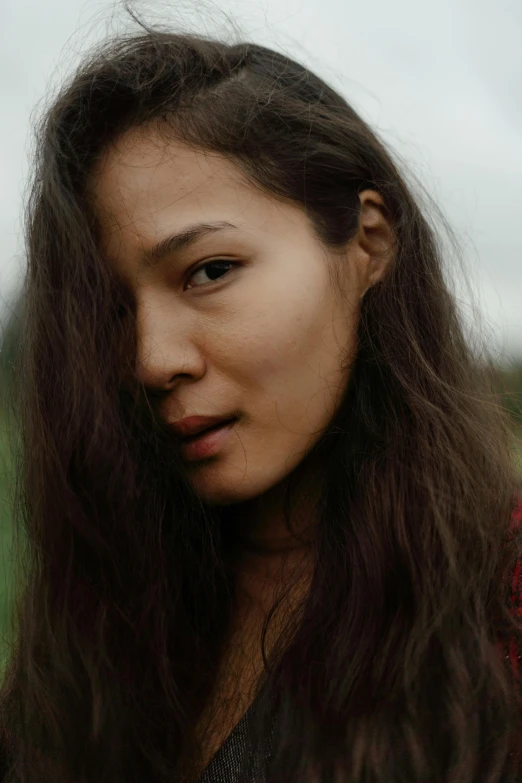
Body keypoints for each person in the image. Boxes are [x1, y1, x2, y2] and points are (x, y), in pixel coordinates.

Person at [1, 18, 522, 783]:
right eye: (112, 311)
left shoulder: (499, 602)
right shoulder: (106, 607)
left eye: (208, 271)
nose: (151, 359)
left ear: (368, 243)